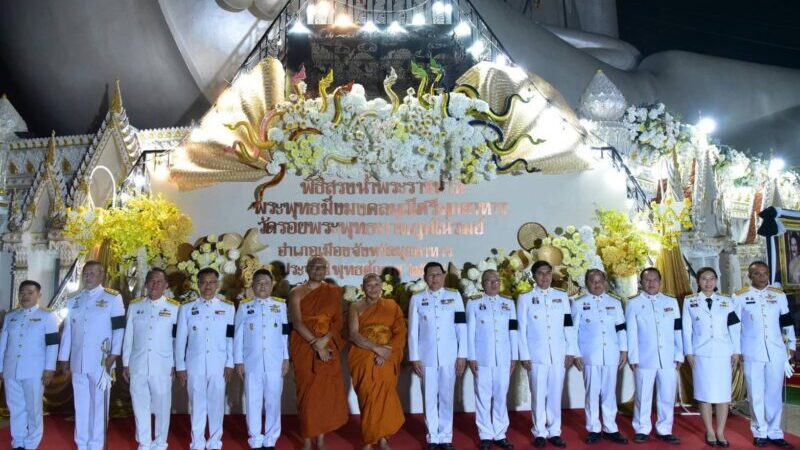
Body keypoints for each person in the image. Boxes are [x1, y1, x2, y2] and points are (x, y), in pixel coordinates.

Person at [58, 261, 126, 450]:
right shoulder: (74, 299)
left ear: (101, 275)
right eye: (85, 273)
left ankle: (96, 445)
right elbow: (68, 331)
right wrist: (64, 358)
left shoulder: (113, 298)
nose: (88, 277)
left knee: (98, 406)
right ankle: (82, 444)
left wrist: (114, 354)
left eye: (92, 273)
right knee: (81, 405)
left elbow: (119, 328)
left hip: (101, 360)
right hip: (78, 360)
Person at [733, 261, 796, 449]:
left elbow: (786, 321)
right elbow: (735, 327)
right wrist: (737, 350)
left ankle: (775, 432)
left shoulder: (778, 295)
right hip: (751, 351)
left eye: (765, 273)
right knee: (756, 393)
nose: (762, 277)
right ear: (750, 276)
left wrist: (791, 345)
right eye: (758, 274)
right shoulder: (740, 296)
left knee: (774, 394)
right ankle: (760, 431)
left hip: (776, 351)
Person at [289, 256, 349, 450]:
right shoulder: (296, 292)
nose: (318, 269)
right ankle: (307, 439)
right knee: (307, 394)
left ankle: (321, 440)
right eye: (314, 266)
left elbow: (338, 321)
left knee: (323, 395)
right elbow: (297, 322)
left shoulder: (333, 292)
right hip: (304, 345)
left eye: (322, 267)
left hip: (328, 343)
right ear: (307, 269)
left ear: (326, 270)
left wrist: (325, 340)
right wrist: (316, 343)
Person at [517, 261, 577, 448]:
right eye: (541, 273)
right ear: (534, 276)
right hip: (536, 355)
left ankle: (554, 431)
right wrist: (524, 355)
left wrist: (570, 351)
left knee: (554, 393)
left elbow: (568, 324)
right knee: (538, 393)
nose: (545, 277)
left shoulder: (561, 296)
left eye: (548, 273)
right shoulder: (525, 297)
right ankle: (539, 431)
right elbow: (521, 328)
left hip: (558, 354)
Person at [408, 261, 467, 450]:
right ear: (425, 277)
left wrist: (462, 355)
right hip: (427, 357)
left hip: (450, 356)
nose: (435, 278)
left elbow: (461, 328)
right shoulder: (417, 299)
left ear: (443, 276)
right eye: (431, 275)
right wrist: (414, 357)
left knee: (447, 397)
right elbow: (412, 332)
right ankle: (432, 437)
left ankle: (446, 437)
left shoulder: (454, 296)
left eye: (438, 274)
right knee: (429, 397)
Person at [175, 267, 235, 450]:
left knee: (217, 404)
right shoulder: (186, 308)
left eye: (211, 282)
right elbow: (180, 340)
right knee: (196, 404)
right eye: (204, 282)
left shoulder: (228, 307)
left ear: (217, 284)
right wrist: (180, 366)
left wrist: (230, 363)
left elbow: (230, 338)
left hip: (219, 364)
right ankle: (197, 442)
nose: (207, 286)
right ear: (198, 284)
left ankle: (215, 442)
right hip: (194, 364)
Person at [122, 268, 181, 450]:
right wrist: (125, 363)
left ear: (166, 285)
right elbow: (128, 336)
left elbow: (177, 340)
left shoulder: (174, 308)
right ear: (146, 284)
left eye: (159, 281)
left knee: (162, 406)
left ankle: (160, 442)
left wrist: (176, 364)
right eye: (151, 281)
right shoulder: (135, 306)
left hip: (162, 365)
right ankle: (144, 442)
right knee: (140, 405)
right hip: (138, 363)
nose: (155, 284)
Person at [682, 267, 741, 448]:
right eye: (704, 279)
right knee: (704, 394)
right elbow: (686, 328)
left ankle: (721, 431)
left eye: (711, 279)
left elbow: (734, 327)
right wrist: (688, 352)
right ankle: (709, 430)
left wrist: (736, 351)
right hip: (701, 353)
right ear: (698, 281)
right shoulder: (689, 301)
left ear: (716, 280)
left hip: (723, 352)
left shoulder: (726, 301)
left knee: (724, 395)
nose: (708, 282)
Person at [348, 273, 407, 450]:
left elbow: (400, 332)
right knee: (368, 397)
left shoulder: (391, 306)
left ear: (381, 286)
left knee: (384, 398)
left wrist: (386, 351)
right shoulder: (355, 306)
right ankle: (368, 439)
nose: (373, 288)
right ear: (363, 287)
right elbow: (353, 334)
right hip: (363, 356)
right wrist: (376, 348)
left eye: (376, 284)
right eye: (369, 285)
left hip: (386, 357)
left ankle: (382, 439)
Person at [570, 269, 629, 445]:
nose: (596, 284)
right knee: (592, 393)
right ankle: (594, 428)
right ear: (586, 283)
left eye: (599, 281)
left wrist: (624, 350)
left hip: (611, 353)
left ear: (605, 282)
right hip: (590, 355)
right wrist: (576, 353)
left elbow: (621, 328)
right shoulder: (578, 302)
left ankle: (610, 428)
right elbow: (572, 331)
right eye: (592, 281)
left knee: (610, 393)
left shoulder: (615, 302)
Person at [234, 269, 290, 450]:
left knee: (273, 401)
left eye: (266, 282)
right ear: (253, 285)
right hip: (252, 362)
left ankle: (271, 439)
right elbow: (238, 335)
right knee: (253, 401)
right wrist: (238, 360)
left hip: (275, 361)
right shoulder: (244, 306)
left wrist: (286, 357)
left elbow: (284, 334)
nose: (262, 286)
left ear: (272, 284)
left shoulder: (280, 305)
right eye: (258, 282)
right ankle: (255, 440)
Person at [626, 267, 683, 445]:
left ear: (661, 282)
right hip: (644, 357)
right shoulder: (633, 303)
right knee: (643, 395)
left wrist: (679, 354)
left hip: (668, 357)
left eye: (654, 280)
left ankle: (665, 429)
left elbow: (677, 330)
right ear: (641, 283)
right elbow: (631, 333)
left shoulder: (671, 302)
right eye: (647, 280)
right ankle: (642, 428)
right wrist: (633, 357)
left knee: (667, 395)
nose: (651, 283)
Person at [0, 280, 59, 450]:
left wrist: (49, 368)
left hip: (35, 370)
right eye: (22, 293)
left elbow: (52, 344)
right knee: (16, 407)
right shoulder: (11, 316)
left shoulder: (47, 316)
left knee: (33, 409)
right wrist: (1, 367)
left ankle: (32, 443)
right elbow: (3, 344)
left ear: (39, 295)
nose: (25, 296)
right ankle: (18, 441)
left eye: (30, 292)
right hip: (12, 369)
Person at [466, 270, 517, 450]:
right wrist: (471, 357)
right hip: (482, 358)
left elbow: (513, 331)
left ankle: (500, 433)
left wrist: (514, 356)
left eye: (496, 280)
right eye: (489, 281)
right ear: (482, 283)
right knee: (483, 397)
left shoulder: (509, 303)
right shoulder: (473, 303)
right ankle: (486, 434)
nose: (494, 284)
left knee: (501, 396)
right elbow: (469, 333)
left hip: (504, 357)